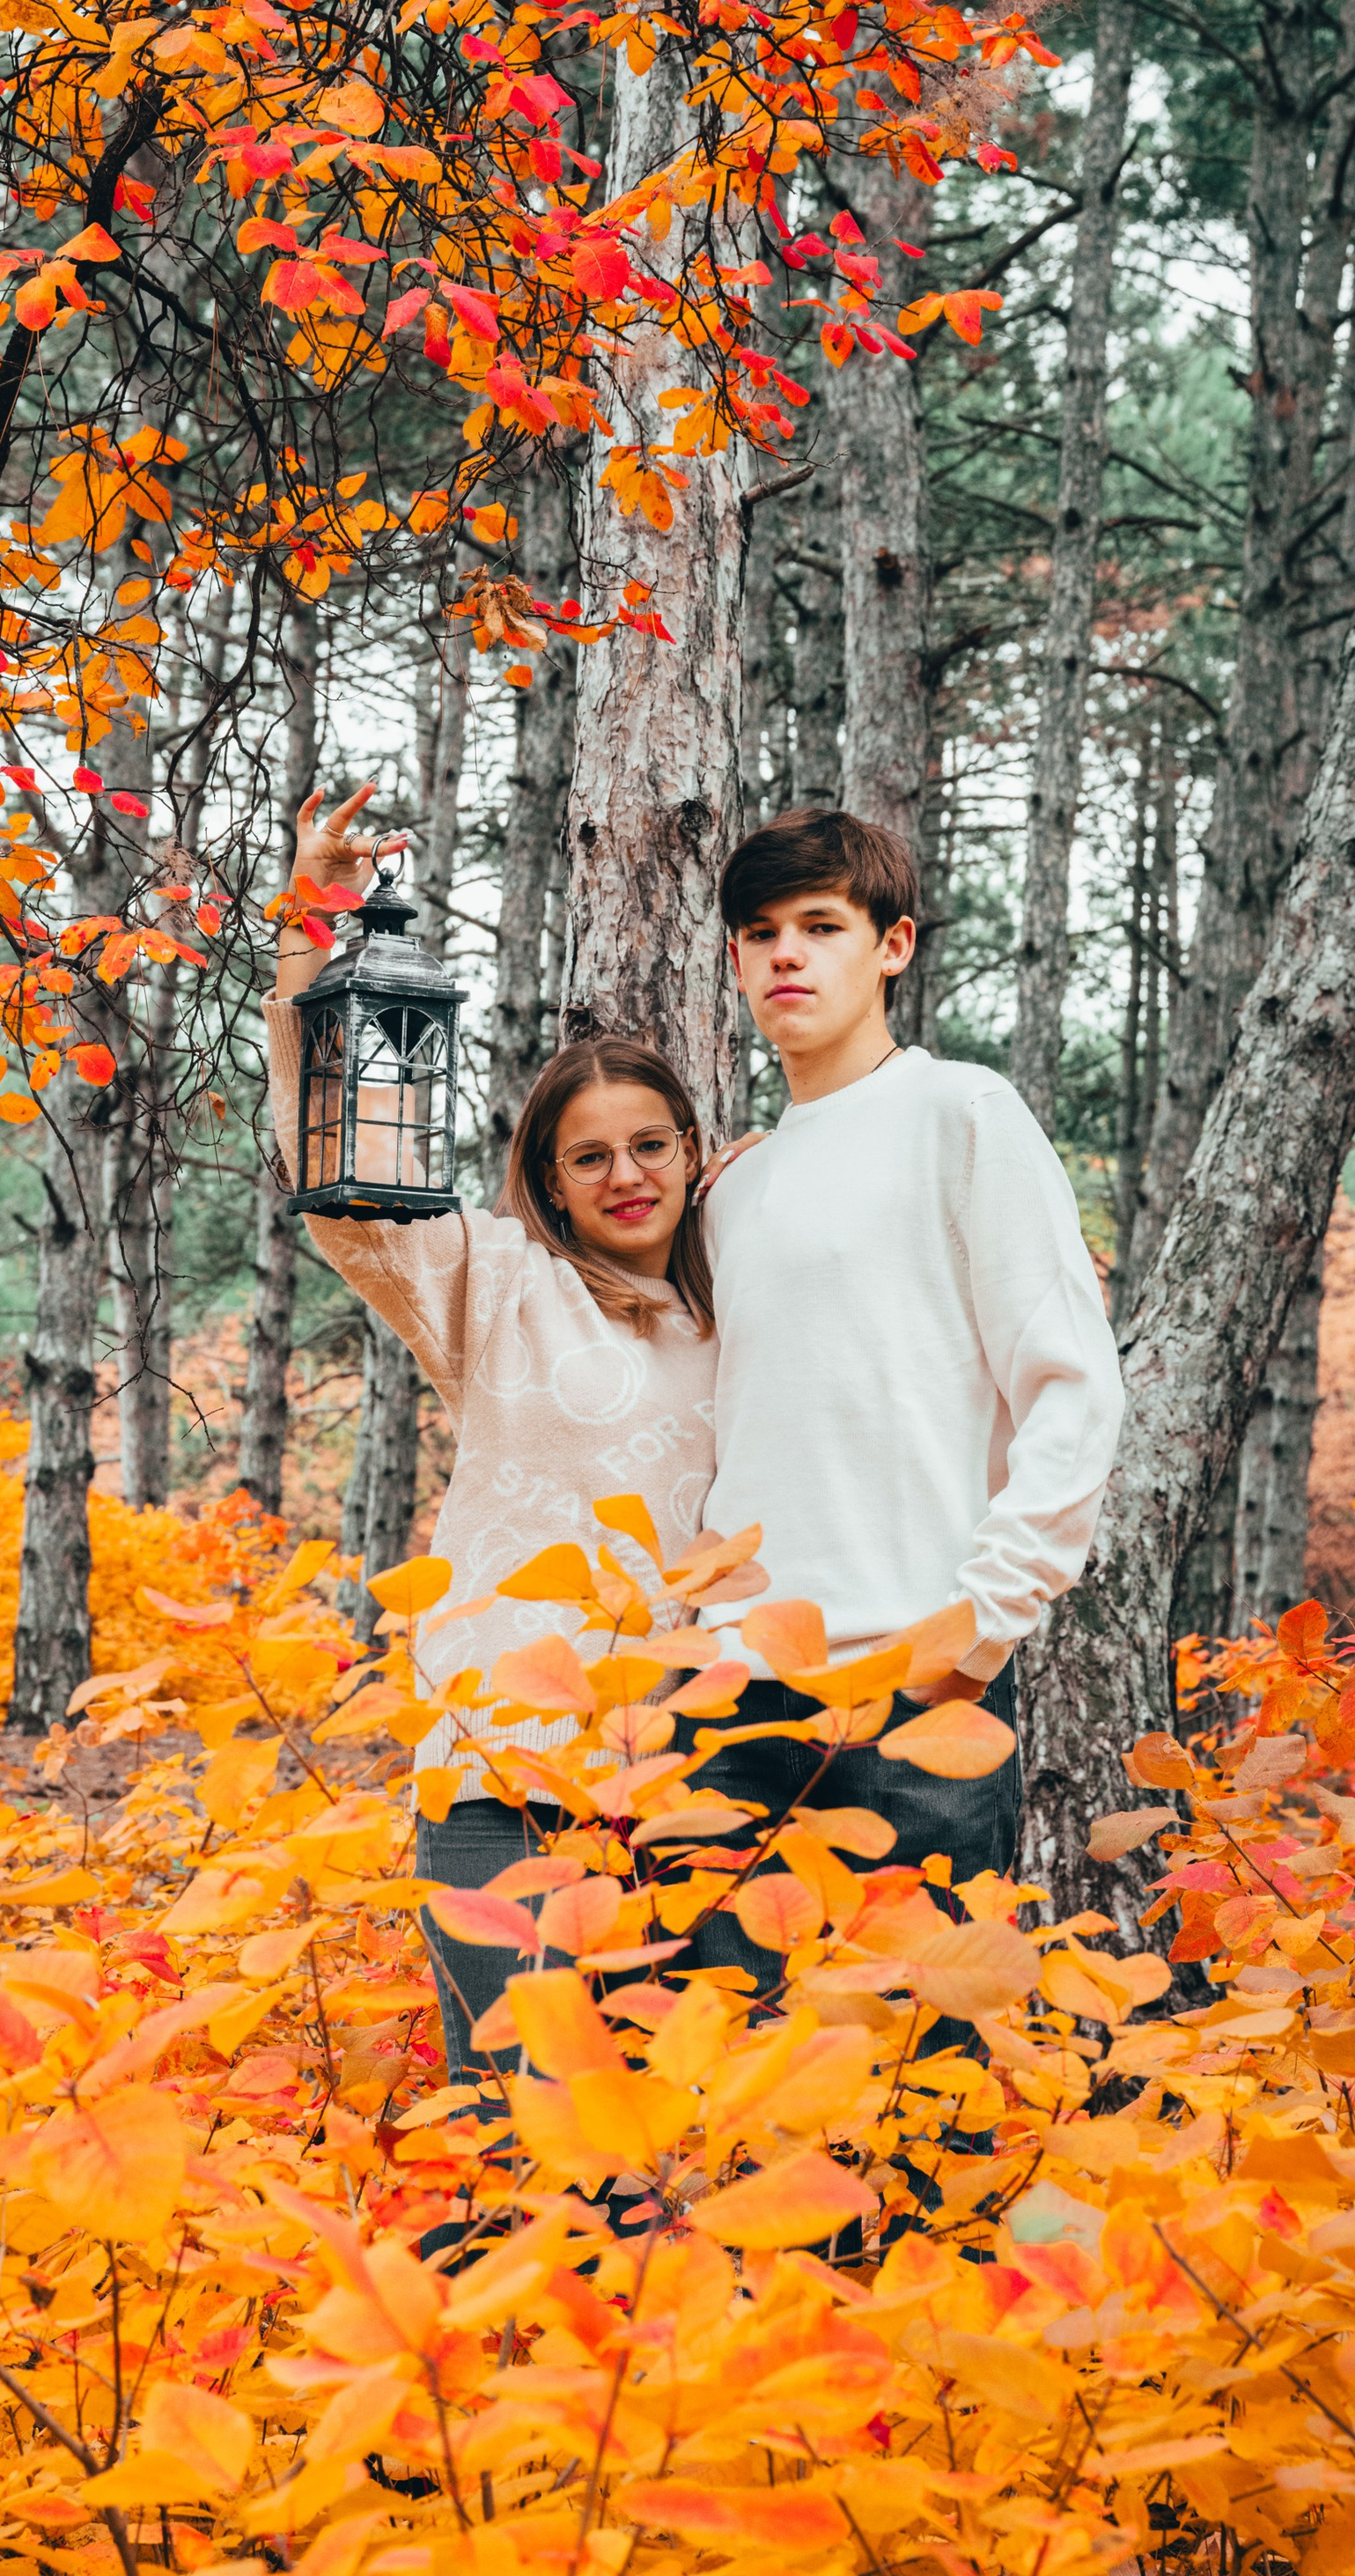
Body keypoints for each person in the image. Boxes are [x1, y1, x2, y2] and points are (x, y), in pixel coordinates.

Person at [269, 786, 718, 2087]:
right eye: (590, 1158)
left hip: (696, 1789)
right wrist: (311, 921)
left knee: (678, 2148)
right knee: (526, 2130)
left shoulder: (747, 1297)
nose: (626, 1175)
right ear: (548, 1175)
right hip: (501, 1777)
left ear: (694, 1153)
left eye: (651, 1145)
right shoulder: (493, 1282)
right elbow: (329, 1165)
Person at [676, 803, 1124, 1975]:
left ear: (894, 945)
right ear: (733, 958)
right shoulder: (732, 1190)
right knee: (733, 2094)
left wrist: (975, 1632)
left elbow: (1075, 1387)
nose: (785, 953)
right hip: (731, 1697)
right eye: (760, 930)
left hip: (915, 1689)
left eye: (821, 925)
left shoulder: (960, 1114)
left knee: (920, 2091)